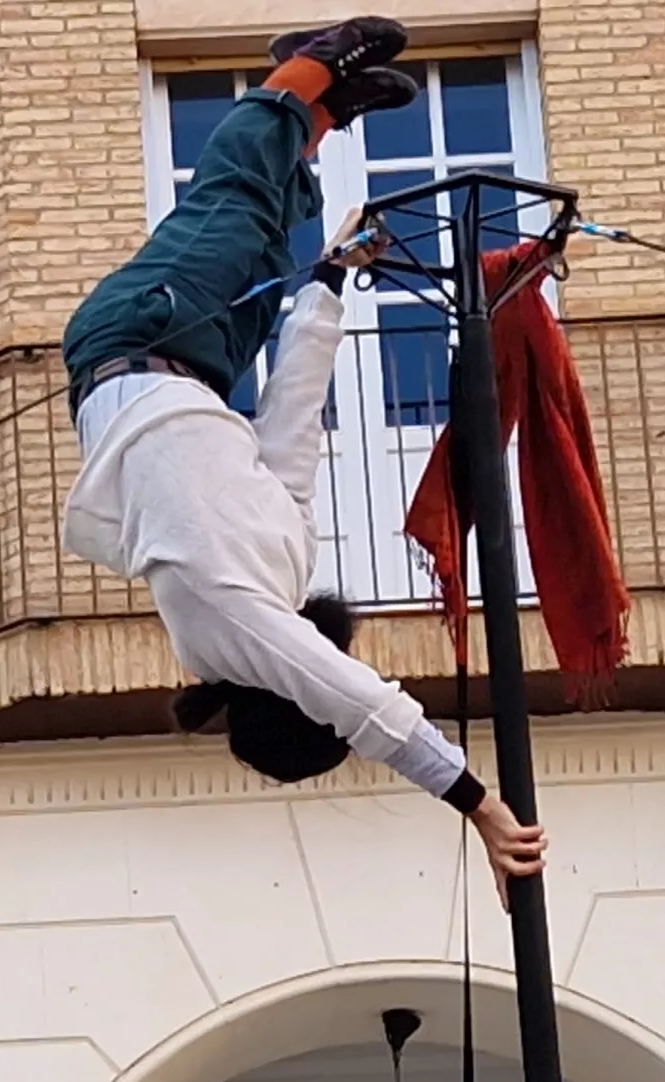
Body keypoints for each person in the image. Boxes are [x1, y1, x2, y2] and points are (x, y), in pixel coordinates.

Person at [58, 16, 548, 883]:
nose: (341, 661)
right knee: (285, 231)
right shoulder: (271, 586)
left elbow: (373, 712)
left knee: (237, 202)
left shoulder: (230, 626)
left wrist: (482, 808)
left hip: (133, 337)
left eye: (323, 679)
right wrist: (329, 286)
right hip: (197, 366)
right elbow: (290, 432)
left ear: (293, 700)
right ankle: (324, 115)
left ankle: (304, 71)